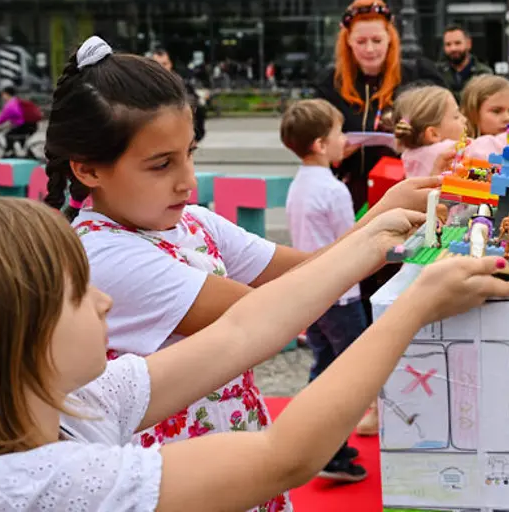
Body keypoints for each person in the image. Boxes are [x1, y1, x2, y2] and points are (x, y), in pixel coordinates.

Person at [40, 36, 438, 508]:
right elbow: (265, 315)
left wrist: (382, 217)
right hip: (187, 481)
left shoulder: (192, 221)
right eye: (161, 164)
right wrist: (402, 276)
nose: (187, 179)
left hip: (237, 453)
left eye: (190, 153)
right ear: (87, 171)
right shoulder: (105, 256)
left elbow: (308, 270)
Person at [0, 197, 509, 510]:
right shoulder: (28, 488)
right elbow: (285, 456)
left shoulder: (75, 406)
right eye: (79, 293)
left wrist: (370, 242)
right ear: (17, 335)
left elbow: (242, 331)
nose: (103, 302)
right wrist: (413, 307)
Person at [280, 99, 370, 482]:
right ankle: (328, 448)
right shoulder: (333, 191)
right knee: (353, 374)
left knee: (323, 367)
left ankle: (315, 444)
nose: (345, 140)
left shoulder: (300, 185)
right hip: (341, 295)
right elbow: (351, 242)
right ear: (320, 144)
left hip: (313, 294)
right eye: (338, 133)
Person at [313, 0, 446, 213]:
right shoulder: (329, 84)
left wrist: (413, 138)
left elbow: (447, 127)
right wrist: (333, 152)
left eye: (377, 40)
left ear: (389, 38)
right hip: (350, 195)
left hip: (406, 191)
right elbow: (312, 141)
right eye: (361, 41)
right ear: (348, 41)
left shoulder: (417, 76)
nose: (370, 49)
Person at [153, 48, 207, 143]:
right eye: (157, 64)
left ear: (170, 64)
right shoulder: (144, 84)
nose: (161, 68)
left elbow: (194, 102)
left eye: (164, 64)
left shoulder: (181, 82)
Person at [436, 24, 493, 99]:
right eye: (448, 44)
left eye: (457, 43)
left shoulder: (483, 73)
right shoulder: (437, 72)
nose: (453, 48)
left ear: (468, 44)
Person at [0, 85, 41, 152]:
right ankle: (26, 154)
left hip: (27, 126)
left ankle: (10, 153)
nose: (2, 96)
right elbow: (16, 117)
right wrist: (10, 124)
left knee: (8, 136)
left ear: (6, 94)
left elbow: (3, 116)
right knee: (19, 140)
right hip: (30, 125)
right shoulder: (16, 101)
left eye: (3, 94)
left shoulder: (11, 104)